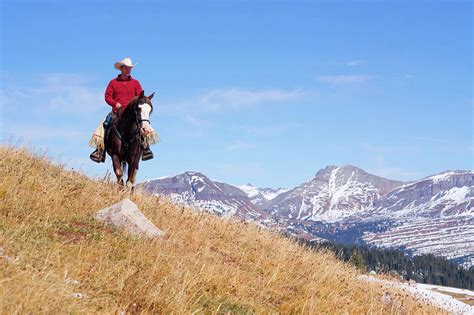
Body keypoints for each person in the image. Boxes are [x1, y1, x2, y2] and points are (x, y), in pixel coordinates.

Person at [90, 57, 154, 163]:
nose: (128, 70)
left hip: (132, 113)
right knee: (104, 124)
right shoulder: (113, 83)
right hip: (117, 111)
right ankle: (100, 151)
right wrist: (115, 103)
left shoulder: (136, 83)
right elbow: (107, 96)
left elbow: (140, 98)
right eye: (127, 68)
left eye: (130, 68)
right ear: (121, 68)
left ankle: (146, 148)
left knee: (145, 126)